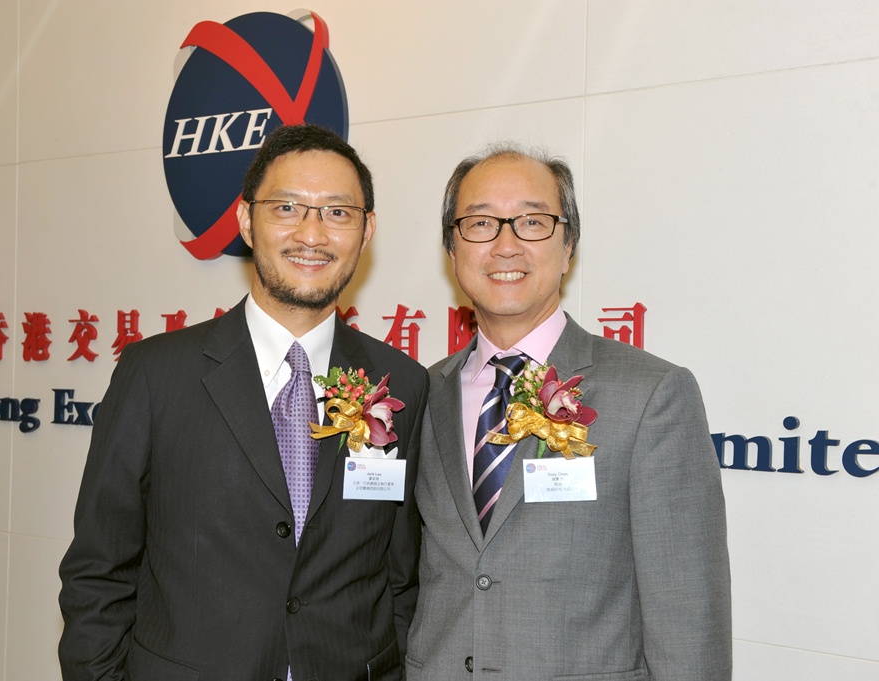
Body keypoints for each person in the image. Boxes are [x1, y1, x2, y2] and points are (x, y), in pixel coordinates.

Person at [59, 124, 427, 681]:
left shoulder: (400, 383)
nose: (312, 233)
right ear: (246, 221)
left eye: (337, 212)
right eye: (287, 208)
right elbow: (99, 572)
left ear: (366, 229)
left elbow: (401, 576)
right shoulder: (156, 375)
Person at [406, 145, 731, 680]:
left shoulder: (651, 394)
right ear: (452, 246)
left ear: (569, 242)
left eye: (533, 222)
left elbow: (687, 610)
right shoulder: (427, 391)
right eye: (480, 223)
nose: (505, 245)